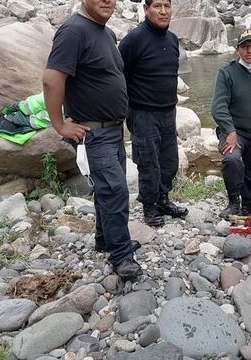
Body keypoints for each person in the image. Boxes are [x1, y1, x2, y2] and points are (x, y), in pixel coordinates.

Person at [42, 0, 142, 280]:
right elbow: (51, 79)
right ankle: (121, 256)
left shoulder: (105, 32)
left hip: (113, 129)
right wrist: (60, 125)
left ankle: (105, 239)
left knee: (107, 190)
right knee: (115, 191)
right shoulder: (73, 31)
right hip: (94, 133)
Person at [118, 0, 188, 228]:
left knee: (169, 162)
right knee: (148, 163)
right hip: (142, 112)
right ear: (146, 9)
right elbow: (119, 76)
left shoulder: (172, 39)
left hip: (168, 110)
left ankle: (163, 199)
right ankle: (149, 207)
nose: (163, 11)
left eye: (167, 6)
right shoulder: (133, 39)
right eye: (157, 6)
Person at [211, 29, 251, 219]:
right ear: (237, 49)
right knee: (232, 160)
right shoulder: (227, 72)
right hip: (234, 131)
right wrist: (229, 130)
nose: (249, 51)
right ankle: (233, 202)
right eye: (244, 47)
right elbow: (218, 106)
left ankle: (247, 206)